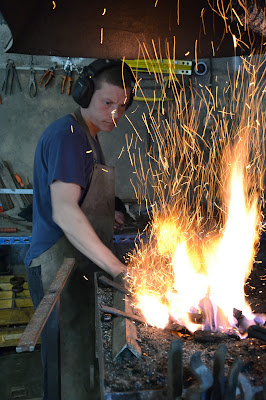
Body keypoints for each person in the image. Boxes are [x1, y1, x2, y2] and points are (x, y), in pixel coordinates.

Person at [24, 59, 135, 400]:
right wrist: (118, 269)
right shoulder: (70, 136)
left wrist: (107, 212)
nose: (114, 114)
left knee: (76, 360)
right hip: (57, 265)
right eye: (107, 103)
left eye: (121, 106)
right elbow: (65, 211)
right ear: (84, 92)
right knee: (65, 368)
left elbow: (83, 198)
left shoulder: (87, 135)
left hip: (74, 264)